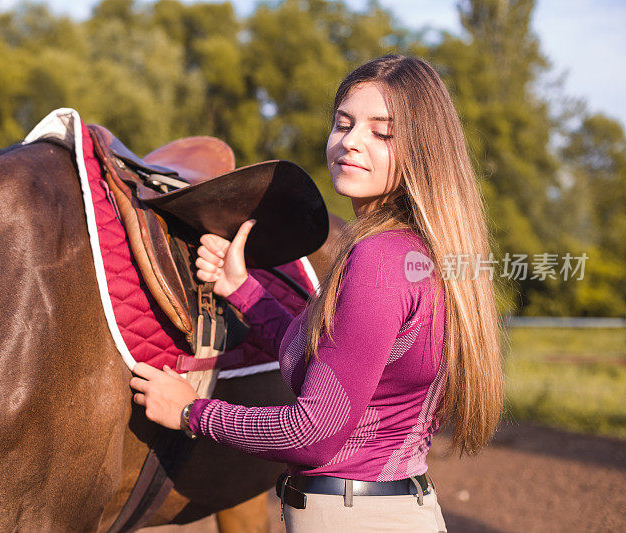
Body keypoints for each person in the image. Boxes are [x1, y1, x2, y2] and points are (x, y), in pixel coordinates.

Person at [129, 55, 503, 532]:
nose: (350, 142)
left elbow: (313, 433)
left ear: (423, 150)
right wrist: (242, 290)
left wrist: (190, 411)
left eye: (381, 133)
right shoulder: (418, 251)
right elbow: (331, 358)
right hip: (393, 508)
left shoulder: (378, 259)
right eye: (343, 124)